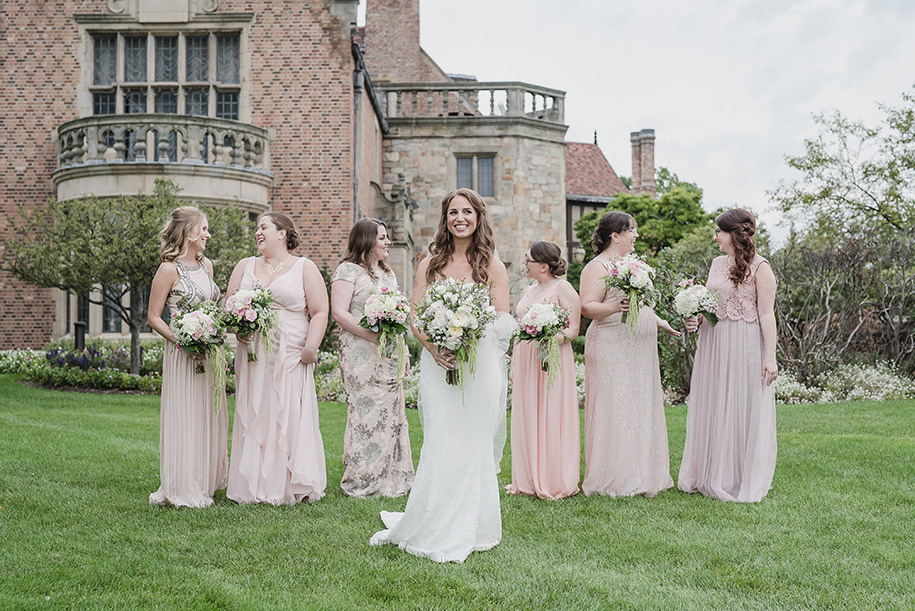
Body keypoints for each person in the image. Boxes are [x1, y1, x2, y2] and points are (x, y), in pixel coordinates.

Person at [370, 188, 516, 563]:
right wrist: (435, 347)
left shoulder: (492, 266)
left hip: (478, 368)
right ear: (445, 219)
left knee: (471, 443)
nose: (460, 218)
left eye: (467, 212)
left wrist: (468, 335)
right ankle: (433, 520)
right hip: (438, 367)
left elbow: (503, 317)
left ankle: (474, 526)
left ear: (478, 217)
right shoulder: (429, 264)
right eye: (453, 212)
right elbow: (417, 315)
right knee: (441, 440)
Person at [226, 212, 328, 505]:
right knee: (257, 413)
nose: (258, 232)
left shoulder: (304, 267)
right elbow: (229, 306)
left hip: (292, 353)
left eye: (264, 227)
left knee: (288, 413)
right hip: (255, 354)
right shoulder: (245, 266)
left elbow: (320, 310)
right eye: (257, 228)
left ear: (282, 232)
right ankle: (254, 484)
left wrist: (312, 346)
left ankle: (291, 483)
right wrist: (237, 329)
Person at [678, 208, 778, 502]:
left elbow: (767, 314)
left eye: (718, 232)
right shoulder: (716, 264)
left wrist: (769, 356)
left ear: (734, 233)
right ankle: (710, 472)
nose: (715, 237)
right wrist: (694, 318)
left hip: (745, 342)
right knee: (715, 401)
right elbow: (711, 305)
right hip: (714, 341)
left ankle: (736, 477)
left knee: (741, 403)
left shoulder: (761, 268)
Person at [579, 211, 679, 498]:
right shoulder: (596, 267)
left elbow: (641, 304)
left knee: (638, 404)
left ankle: (641, 473)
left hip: (639, 346)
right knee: (615, 403)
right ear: (616, 235)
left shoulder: (632, 266)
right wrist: (615, 306)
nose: (636, 235)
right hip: (610, 342)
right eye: (632, 230)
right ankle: (614, 476)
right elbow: (588, 307)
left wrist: (659, 321)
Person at [147, 206, 228, 507]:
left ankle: (203, 482)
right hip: (182, 354)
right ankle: (182, 485)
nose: (208, 234)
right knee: (185, 414)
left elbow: (213, 306)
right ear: (189, 232)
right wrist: (181, 339)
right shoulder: (168, 270)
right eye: (204, 229)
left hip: (209, 353)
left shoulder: (206, 265)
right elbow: (154, 317)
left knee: (208, 414)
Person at [331, 218, 415, 498]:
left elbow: (397, 315)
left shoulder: (388, 274)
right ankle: (362, 476)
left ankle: (391, 476)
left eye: (387, 237)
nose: (388, 242)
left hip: (389, 351)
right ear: (366, 241)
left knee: (392, 413)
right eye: (382, 237)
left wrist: (401, 349)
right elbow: (339, 313)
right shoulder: (348, 271)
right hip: (359, 351)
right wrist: (369, 335)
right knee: (365, 411)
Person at [506, 241, 581, 500]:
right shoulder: (529, 290)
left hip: (551, 356)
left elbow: (573, 330)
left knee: (551, 412)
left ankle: (553, 477)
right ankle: (526, 478)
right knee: (528, 413)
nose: (524, 264)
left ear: (543, 265)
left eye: (527, 260)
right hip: (527, 358)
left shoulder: (564, 289)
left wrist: (549, 340)